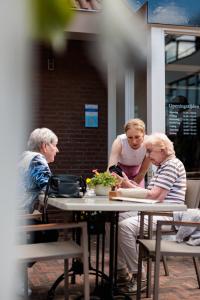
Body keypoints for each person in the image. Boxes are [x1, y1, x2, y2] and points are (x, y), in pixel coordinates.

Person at [116, 133, 186, 294]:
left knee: (125, 227)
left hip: (167, 215)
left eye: (149, 151)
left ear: (163, 150)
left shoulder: (172, 165)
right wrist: (129, 185)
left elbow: (155, 196)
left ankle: (139, 276)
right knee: (112, 220)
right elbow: (149, 193)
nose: (147, 155)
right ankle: (120, 271)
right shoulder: (163, 166)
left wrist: (128, 187)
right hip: (155, 211)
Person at [18, 127, 59, 213]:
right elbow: (50, 189)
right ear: (44, 146)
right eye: (55, 145)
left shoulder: (25, 157)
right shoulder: (37, 160)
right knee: (81, 224)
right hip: (19, 217)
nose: (57, 150)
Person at [108, 118, 150, 187]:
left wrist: (131, 186)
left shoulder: (149, 143)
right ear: (126, 135)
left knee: (137, 195)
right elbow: (111, 168)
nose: (134, 142)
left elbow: (143, 170)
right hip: (120, 172)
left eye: (137, 137)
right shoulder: (120, 141)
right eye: (130, 137)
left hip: (138, 173)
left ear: (143, 134)